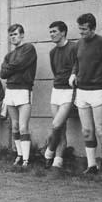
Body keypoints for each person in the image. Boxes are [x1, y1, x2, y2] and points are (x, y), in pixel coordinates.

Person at [68, 14, 102, 177]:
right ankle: (92, 165)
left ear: (93, 28)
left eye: (84, 29)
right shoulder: (78, 44)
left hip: (98, 90)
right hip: (82, 91)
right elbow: (77, 62)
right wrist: (73, 74)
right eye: (79, 28)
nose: (81, 32)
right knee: (87, 130)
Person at [0, 24, 37, 168]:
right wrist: (12, 67)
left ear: (22, 35)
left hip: (24, 89)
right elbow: (3, 73)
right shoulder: (9, 55)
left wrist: (11, 67)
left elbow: (20, 64)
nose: (13, 37)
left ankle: (26, 160)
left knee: (23, 127)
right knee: (14, 126)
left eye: (15, 34)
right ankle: (19, 155)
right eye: (11, 35)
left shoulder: (29, 48)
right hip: (10, 90)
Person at [43, 21, 77, 169]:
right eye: (50, 32)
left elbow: (77, 67)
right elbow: (55, 71)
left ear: (63, 32)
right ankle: (58, 161)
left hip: (69, 91)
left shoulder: (74, 47)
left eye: (54, 31)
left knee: (56, 125)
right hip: (56, 91)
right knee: (60, 128)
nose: (52, 34)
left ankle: (49, 151)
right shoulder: (52, 52)